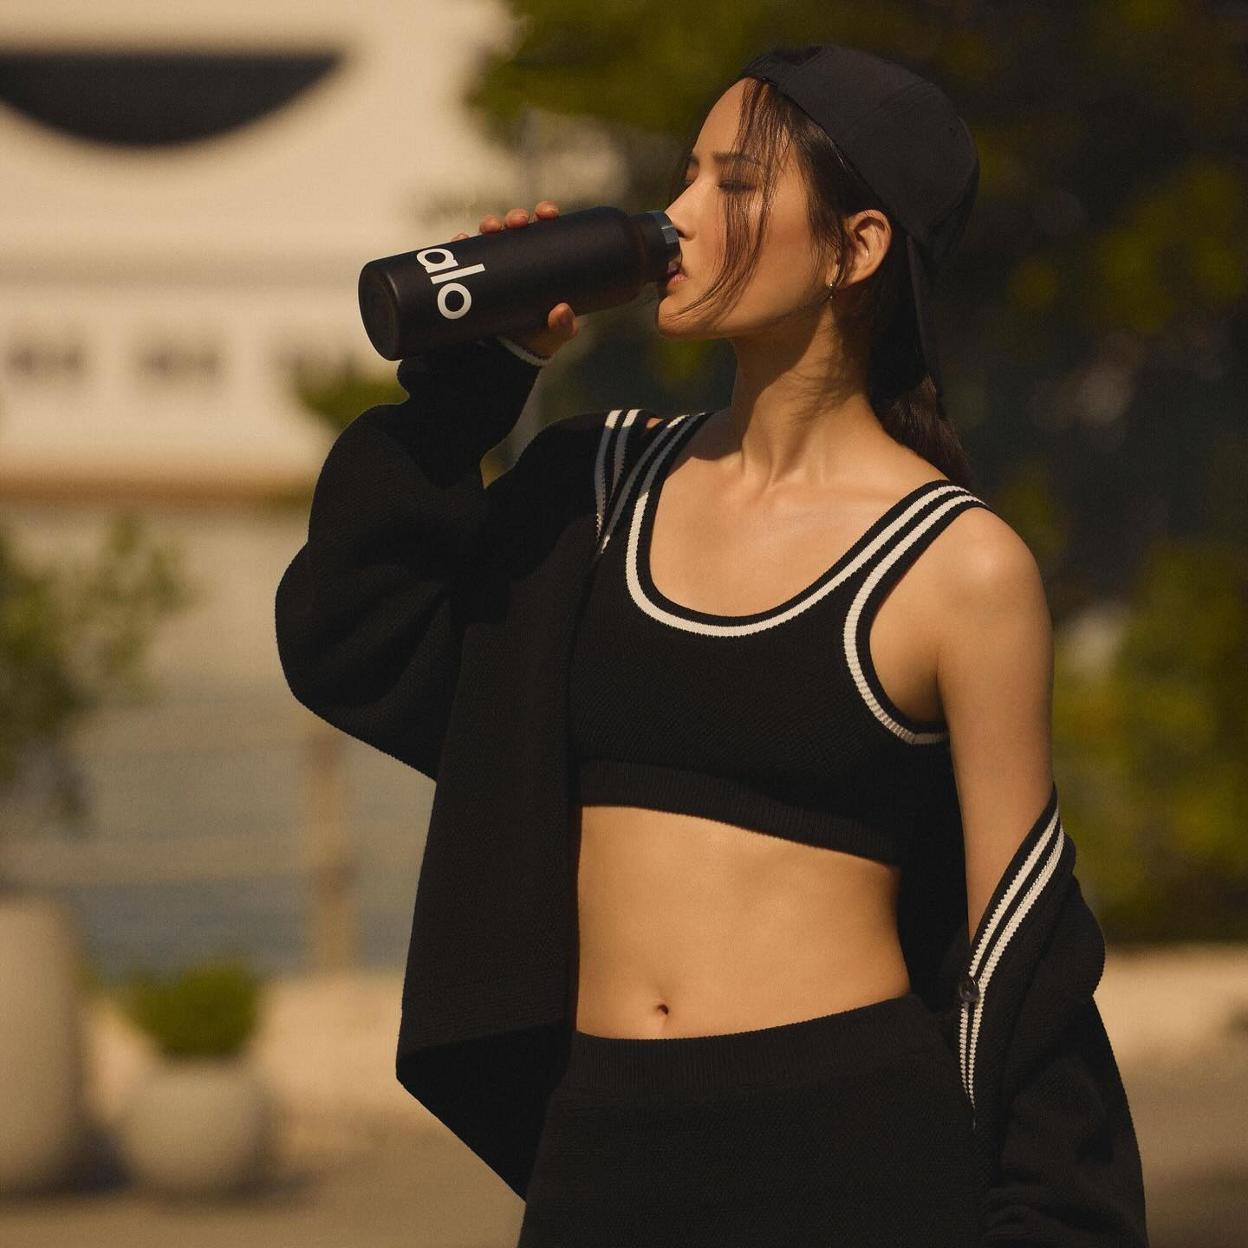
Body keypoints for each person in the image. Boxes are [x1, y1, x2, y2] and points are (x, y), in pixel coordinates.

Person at [276, 43, 1149, 1247]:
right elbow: (351, 632)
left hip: (850, 1153)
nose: (678, 218)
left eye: (734, 187)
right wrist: (486, 377)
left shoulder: (958, 565)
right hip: (597, 1146)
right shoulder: (592, 481)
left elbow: (1023, 951)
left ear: (857, 247)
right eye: (683, 176)